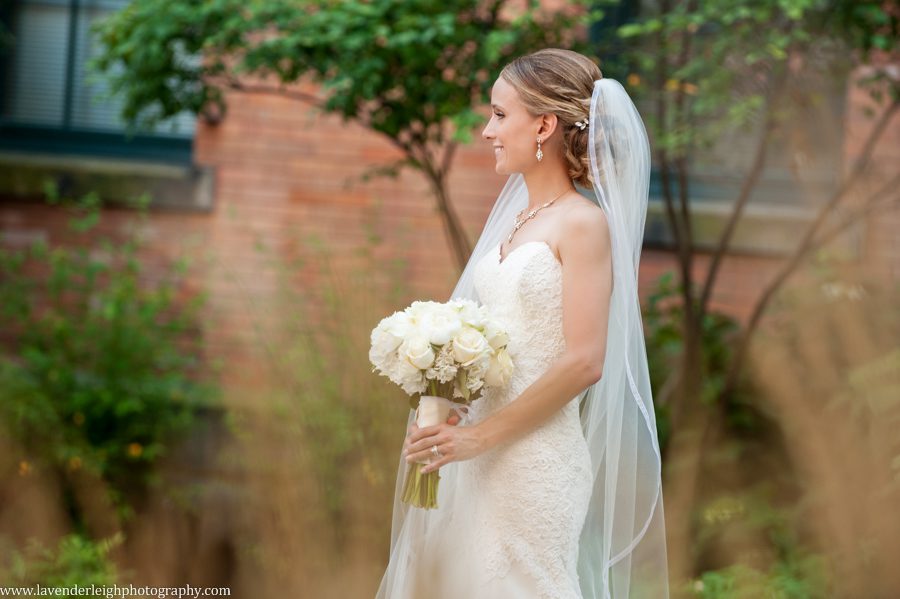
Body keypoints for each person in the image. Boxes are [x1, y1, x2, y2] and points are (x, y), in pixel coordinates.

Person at [375, 48, 669, 599]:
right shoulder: (516, 222)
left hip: (533, 463)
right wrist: (448, 407)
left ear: (545, 125)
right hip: (475, 454)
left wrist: (480, 438)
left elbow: (584, 361)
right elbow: (502, 347)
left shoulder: (584, 224)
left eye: (499, 114)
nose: (488, 130)